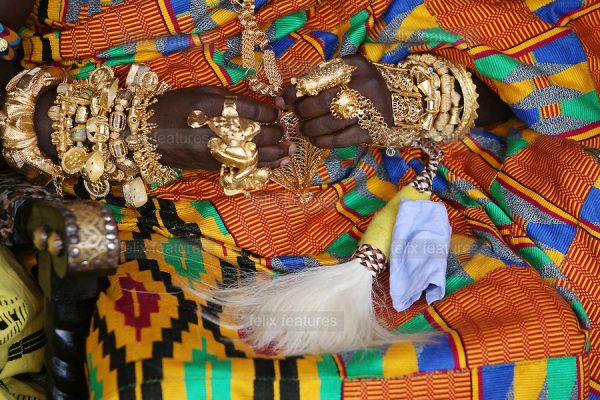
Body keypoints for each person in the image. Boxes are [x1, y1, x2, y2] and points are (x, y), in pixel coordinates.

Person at [1, 0, 599, 399]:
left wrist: (414, 96)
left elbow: (519, 53)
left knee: (536, 335)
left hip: (418, 183)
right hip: (176, 229)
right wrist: (135, 126)